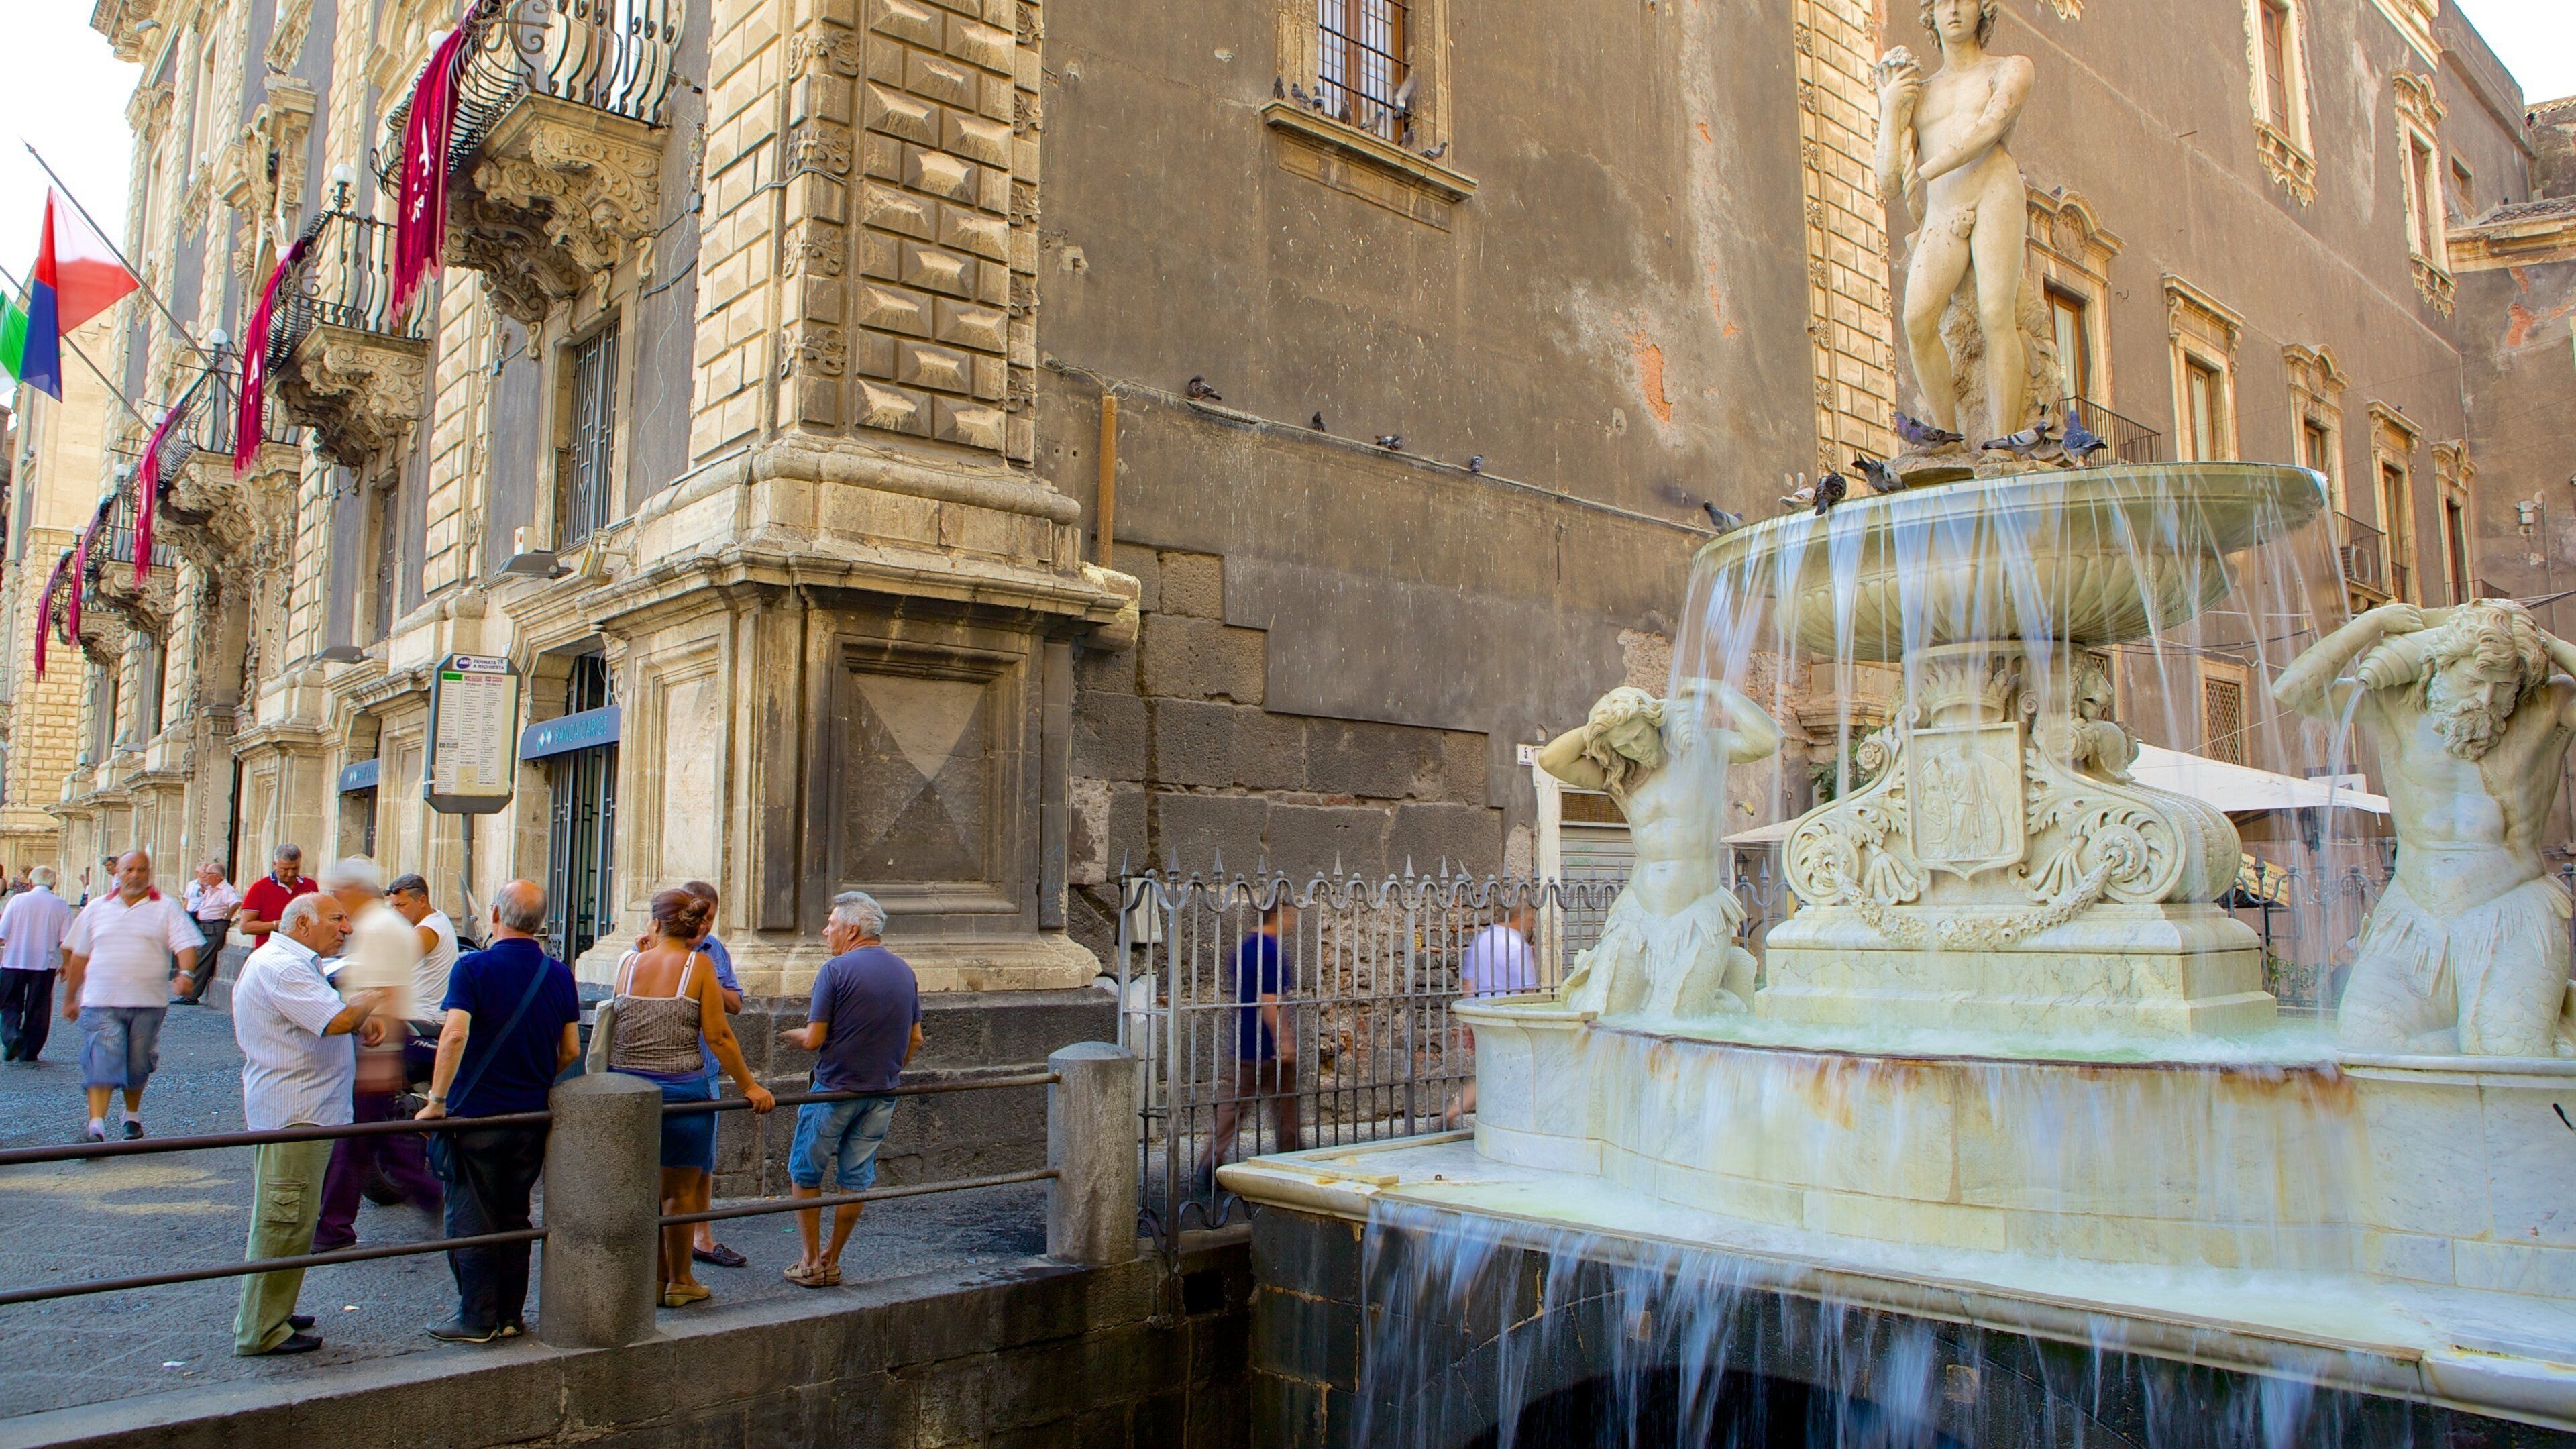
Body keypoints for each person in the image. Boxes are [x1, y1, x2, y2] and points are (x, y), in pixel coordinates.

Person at [2274, 600, 2576, 1054]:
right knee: (2368, 1045)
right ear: (2441, 665)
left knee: (2508, 1052)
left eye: (2503, 685)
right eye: (2474, 681)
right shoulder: (2395, 703)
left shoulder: (2549, 707)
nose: (2487, 699)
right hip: (2413, 913)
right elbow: (2294, 691)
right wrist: (2370, 625)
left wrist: (2544, 642)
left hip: (2512, 908)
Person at [1538, 680, 1782, 1019]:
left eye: (1639, 736)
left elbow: (1768, 741)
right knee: (1603, 1011)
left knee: (1679, 1019)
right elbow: (1550, 760)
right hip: (1636, 914)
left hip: (1698, 913)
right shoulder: (1622, 778)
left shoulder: (1700, 752)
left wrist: (1718, 690)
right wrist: (1600, 727)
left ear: (1656, 723)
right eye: (1624, 746)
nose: (1636, 749)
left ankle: (1730, 1001)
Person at [413, 881, 580, 1342]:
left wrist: (436, 1101)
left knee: (470, 1216)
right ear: (541, 922)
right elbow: (569, 1049)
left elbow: (453, 1036)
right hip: (529, 1115)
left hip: (476, 1113)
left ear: (494, 915)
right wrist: (534, 1076)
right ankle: (510, 1315)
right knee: (514, 1215)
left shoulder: (474, 969)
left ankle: (476, 1317)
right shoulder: (559, 974)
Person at [1874, 0, 2037, 443]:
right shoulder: (1921, 94)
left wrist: (1928, 171)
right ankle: (1948, 440)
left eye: (1964, 0)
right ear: (1929, 14)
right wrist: (1890, 109)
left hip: (1994, 191)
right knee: (1916, 320)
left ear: (1983, 10)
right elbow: (1888, 183)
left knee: (1995, 313)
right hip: (1944, 210)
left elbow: (1989, 128)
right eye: (1942, 2)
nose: (1953, 10)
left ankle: (2004, 442)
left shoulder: (2010, 68)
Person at [232, 892, 384, 1356]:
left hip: (303, 1110)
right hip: (296, 1113)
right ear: (302, 924)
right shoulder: (282, 967)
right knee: (284, 1219)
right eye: (337, 919)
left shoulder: (296, 962)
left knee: (291, 1219)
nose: (347, 928)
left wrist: (357, 1017)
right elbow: (334, 1021)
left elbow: (328, 1016)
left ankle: (274, 1308)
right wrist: (372, 1000)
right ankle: (261, 1329)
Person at [605, 888, 773, 1309]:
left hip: (628, 1091)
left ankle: (654, 1277)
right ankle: (680, 1280)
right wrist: (750, 1086)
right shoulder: (698, 965)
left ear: (656, 923)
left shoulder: (627, 963)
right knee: (678, 1193)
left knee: (644, 1189)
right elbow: (718, 1036)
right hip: (682, 1089)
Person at [777, 891, 920, 1288]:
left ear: (852, 930)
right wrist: (890, 1069)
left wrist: (788, 1035)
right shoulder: (904, 971)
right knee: (855, 1177)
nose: (826, 932)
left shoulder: (835, 971)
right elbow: (916, 1040)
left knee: (806, 1172)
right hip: (882, 1093)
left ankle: (809, 1262)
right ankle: (833, 1259)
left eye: (832, 925)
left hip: (834, 1089)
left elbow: (812, 1039)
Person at [314, 859, 440, 1252]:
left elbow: (385, 993)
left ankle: (334, 1226)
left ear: (355, 890)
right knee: (368, 1138)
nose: (336, 901)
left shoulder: (377, 928)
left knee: (355, 1138)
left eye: (338, 892)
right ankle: (429, 1197)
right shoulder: (376, 925)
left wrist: (378, 1062)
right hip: (375, 1039)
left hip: (377, 1041)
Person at [60, 851, 201, 1142]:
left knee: (138, 1064)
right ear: (118, 874)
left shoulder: (167, 907)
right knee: (102, 1059)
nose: (134, 876)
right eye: (129, 870)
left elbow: (186, 944)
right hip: (101, 1000)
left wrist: (185, 975)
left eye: (141, 870)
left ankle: (131, 1115)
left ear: (149, 873)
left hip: (148, 1001)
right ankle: (96, 1126)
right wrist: (70, 998)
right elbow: (79, 956)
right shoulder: (97, 907)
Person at [1196, 901, 1301, 1184]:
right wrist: (1284, 1041)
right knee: (1286, 1106)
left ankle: (1210, 1162)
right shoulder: (1271, 951)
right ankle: (1292, 1160)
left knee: (1233, 1107)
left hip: (1244, 1040)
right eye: (1290, 917)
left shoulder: (1242, 950)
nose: (1292, 923)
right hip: (1268, 1046)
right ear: (1277, 917)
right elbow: (1270, 999)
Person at [677, 877, 750, 1270]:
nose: (704, 927)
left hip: (705, 1068)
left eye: (710, 920)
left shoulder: (714, 951)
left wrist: (709, 980)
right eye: (699, 918)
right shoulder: (657, 948)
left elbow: (735, 1005)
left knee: (704, 1158)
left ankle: (702, 1238)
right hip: (667, 1069)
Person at [1446, 903, 1540, 1127]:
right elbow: (1528, 991)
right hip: (1508, 1019)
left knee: (1490, 1070)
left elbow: (1469, 982)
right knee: (1517, 1071)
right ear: (1522, 918)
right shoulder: (1517, 946)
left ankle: (1453, 1112)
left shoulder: (1482, 940)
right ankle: (1513, 1122)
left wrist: (1469, 1023)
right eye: (1529, 921)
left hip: (1482, 1015)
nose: (1530, 926)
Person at [387, 874, 460, 1086]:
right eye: (393, 907)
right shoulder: (440, 919)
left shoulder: (427, 930)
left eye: (401, 905)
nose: (396, 913)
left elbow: (393, 965)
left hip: (421, 1017)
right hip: (430, 1015)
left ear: (421, 900)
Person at [0, 867, 74, 1063]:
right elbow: (67, 941)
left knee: (9, 1004)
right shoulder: (61, 904)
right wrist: (67, 964)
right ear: (54, 884)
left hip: (14, 961)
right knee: (39, 1008)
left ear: (31, 883)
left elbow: (2, 934)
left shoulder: (17, 901)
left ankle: (12, 1036)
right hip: (45, 964)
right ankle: (30, 1051)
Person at [178, 861, 243, 1005]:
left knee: (203, 961)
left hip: (214, 927)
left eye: (209, 873)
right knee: (198, 957)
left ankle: (192, 995)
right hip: (205, 926)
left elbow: (236, 902)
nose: (206, 876)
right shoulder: (211, 889)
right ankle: (188, 993)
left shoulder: (226, 889)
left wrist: (227, 916)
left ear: (218, 876)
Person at [234, 845, 317, 954]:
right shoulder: (259, 888)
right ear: (275, 865)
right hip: (270, 955)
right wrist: (277, 925)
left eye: (295, 868)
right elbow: (245, 927)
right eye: (285, 869)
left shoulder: (310, 886)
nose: (290, 874)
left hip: (303, 953)